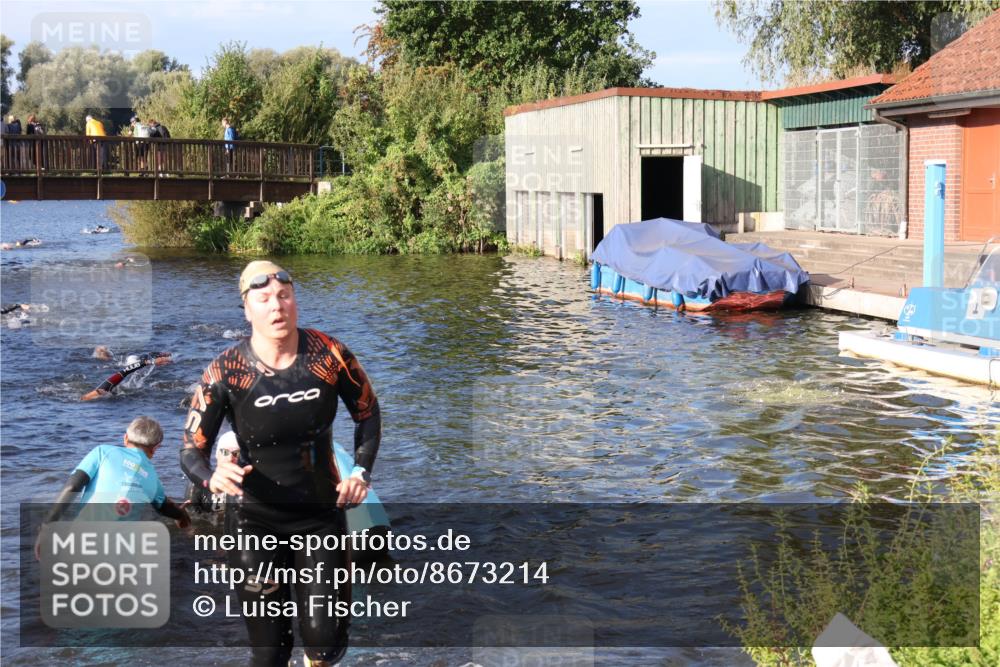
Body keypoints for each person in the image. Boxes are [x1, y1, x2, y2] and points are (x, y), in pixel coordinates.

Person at [180, 260, 381, 667]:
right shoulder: (225, 371)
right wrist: (210, 478)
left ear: (295, 301)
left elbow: (368, 413)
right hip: (254, 522)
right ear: (247, 308)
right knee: (270, 651)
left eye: (285, 296)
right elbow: (190, 449)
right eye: (265, 299)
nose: (277, 306)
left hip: (320, 517)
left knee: (324, 644)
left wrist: (361, 472)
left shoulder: (329, 354)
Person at [35, 416, 191, 558]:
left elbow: (72, 487)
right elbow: (165, 507)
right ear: (155, 448)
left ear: (125, 438)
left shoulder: (103, 452)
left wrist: (47, 528)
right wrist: (182, 516)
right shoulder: (153, 478)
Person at [81, 351, 172, 401]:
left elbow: (124, 372)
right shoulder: (101, 393)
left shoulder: (101, 391)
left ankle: (153, 355)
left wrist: (151, 362)